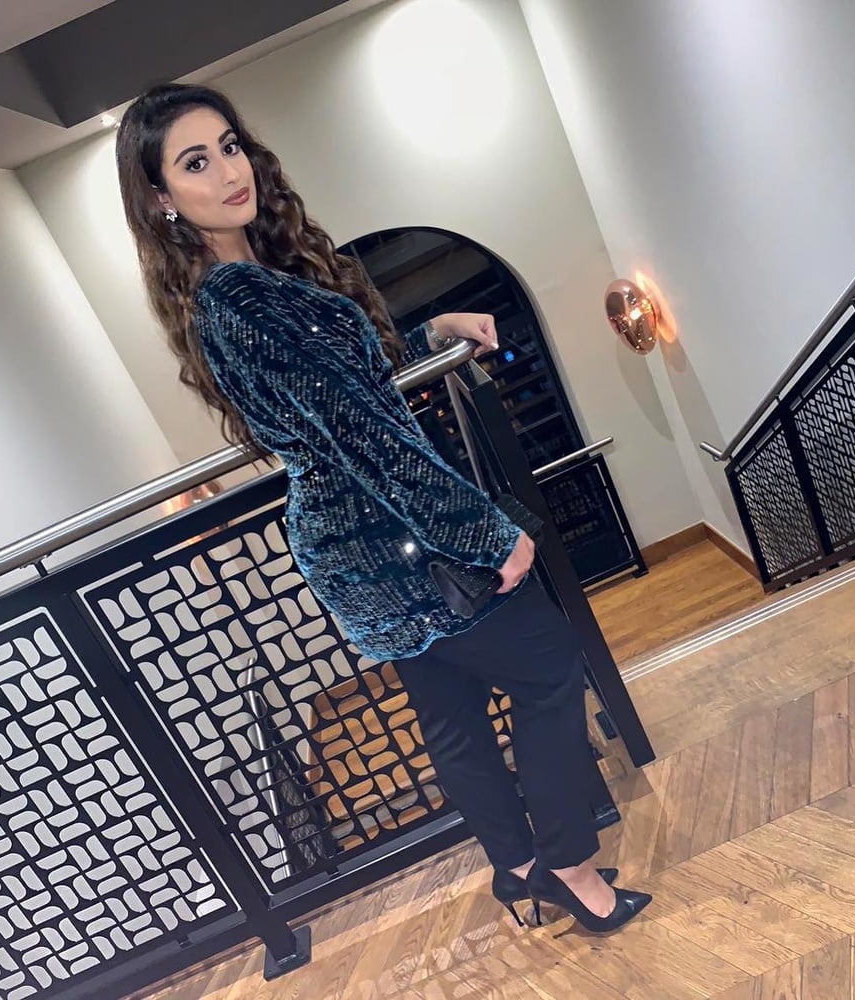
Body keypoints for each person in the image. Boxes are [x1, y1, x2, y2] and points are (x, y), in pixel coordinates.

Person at [116, 82, 650, 933]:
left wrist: (429, 334)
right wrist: (483, 534)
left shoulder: (238, 289)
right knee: (549, 669)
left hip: (358, 547)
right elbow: (364, 436)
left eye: (230, 146)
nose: (228, 172)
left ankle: (519, 870)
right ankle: (570, 868)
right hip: (395, 538)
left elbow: (351, 387)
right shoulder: (242, 299)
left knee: (452, 716)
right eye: (195, 162)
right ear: (160, 199)